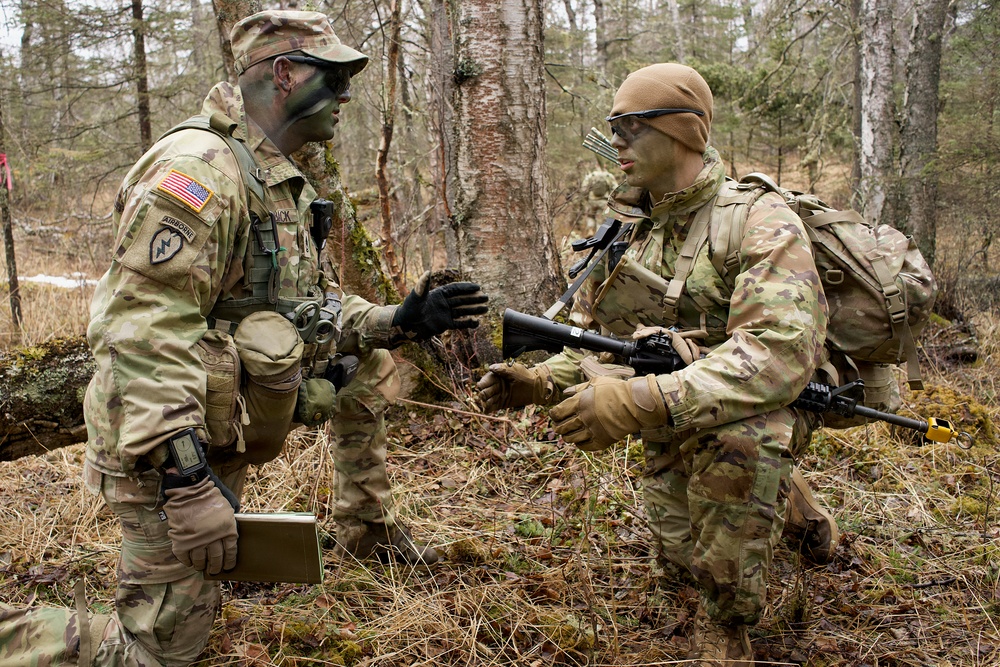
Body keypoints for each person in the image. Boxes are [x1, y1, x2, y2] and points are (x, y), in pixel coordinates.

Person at [0, 10, 487, 666]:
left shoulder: (276, 178)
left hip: (209, 433)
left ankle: (361, 530)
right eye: (333, 76)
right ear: (283, 74)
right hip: (162, 447)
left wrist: (397, 321)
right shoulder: (200, 172)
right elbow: (139, 329)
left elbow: (300, 313)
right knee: (151, 657)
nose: (346, 95)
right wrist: (187, 478)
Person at [477, 63, 838, 666]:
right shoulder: (632, 226)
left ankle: (729, 628)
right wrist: (539, 382)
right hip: (676, 397)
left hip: (767, 400)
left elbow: (777, 353)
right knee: (678, 565)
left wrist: (642, 401)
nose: (614, 141)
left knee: (740, 446)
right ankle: (795, 512)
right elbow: (601, 341)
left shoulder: (759, 221)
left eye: (630, 126)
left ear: (683, 133)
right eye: (612, 126)